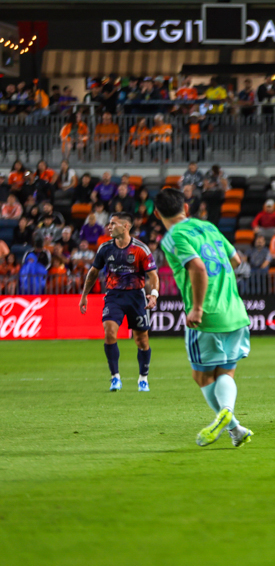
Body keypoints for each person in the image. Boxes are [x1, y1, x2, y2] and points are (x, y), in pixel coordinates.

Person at [154, 188, 253, 447]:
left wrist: (197, 307)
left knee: (203, 377)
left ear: (156, 214)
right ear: (185, 208)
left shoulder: (173, 237)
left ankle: (231, 422)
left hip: (206, 316)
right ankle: (235, 429)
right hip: (235, 311)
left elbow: (197, 267)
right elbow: (236, 260)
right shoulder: (208, 227)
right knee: (226, 372)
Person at [78, 212, 159, 393]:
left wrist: (153, 295)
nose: (109, 227)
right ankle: (115, 377)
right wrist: (84, 295)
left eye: (113, 224)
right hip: (113, 296)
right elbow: (93, 272)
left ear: (126, 226)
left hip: (136, 297)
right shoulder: (105, 248)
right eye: (109, 223)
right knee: (109, 332)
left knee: (142, 340)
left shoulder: (141, 249)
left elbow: (153, 276)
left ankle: (143, 378)